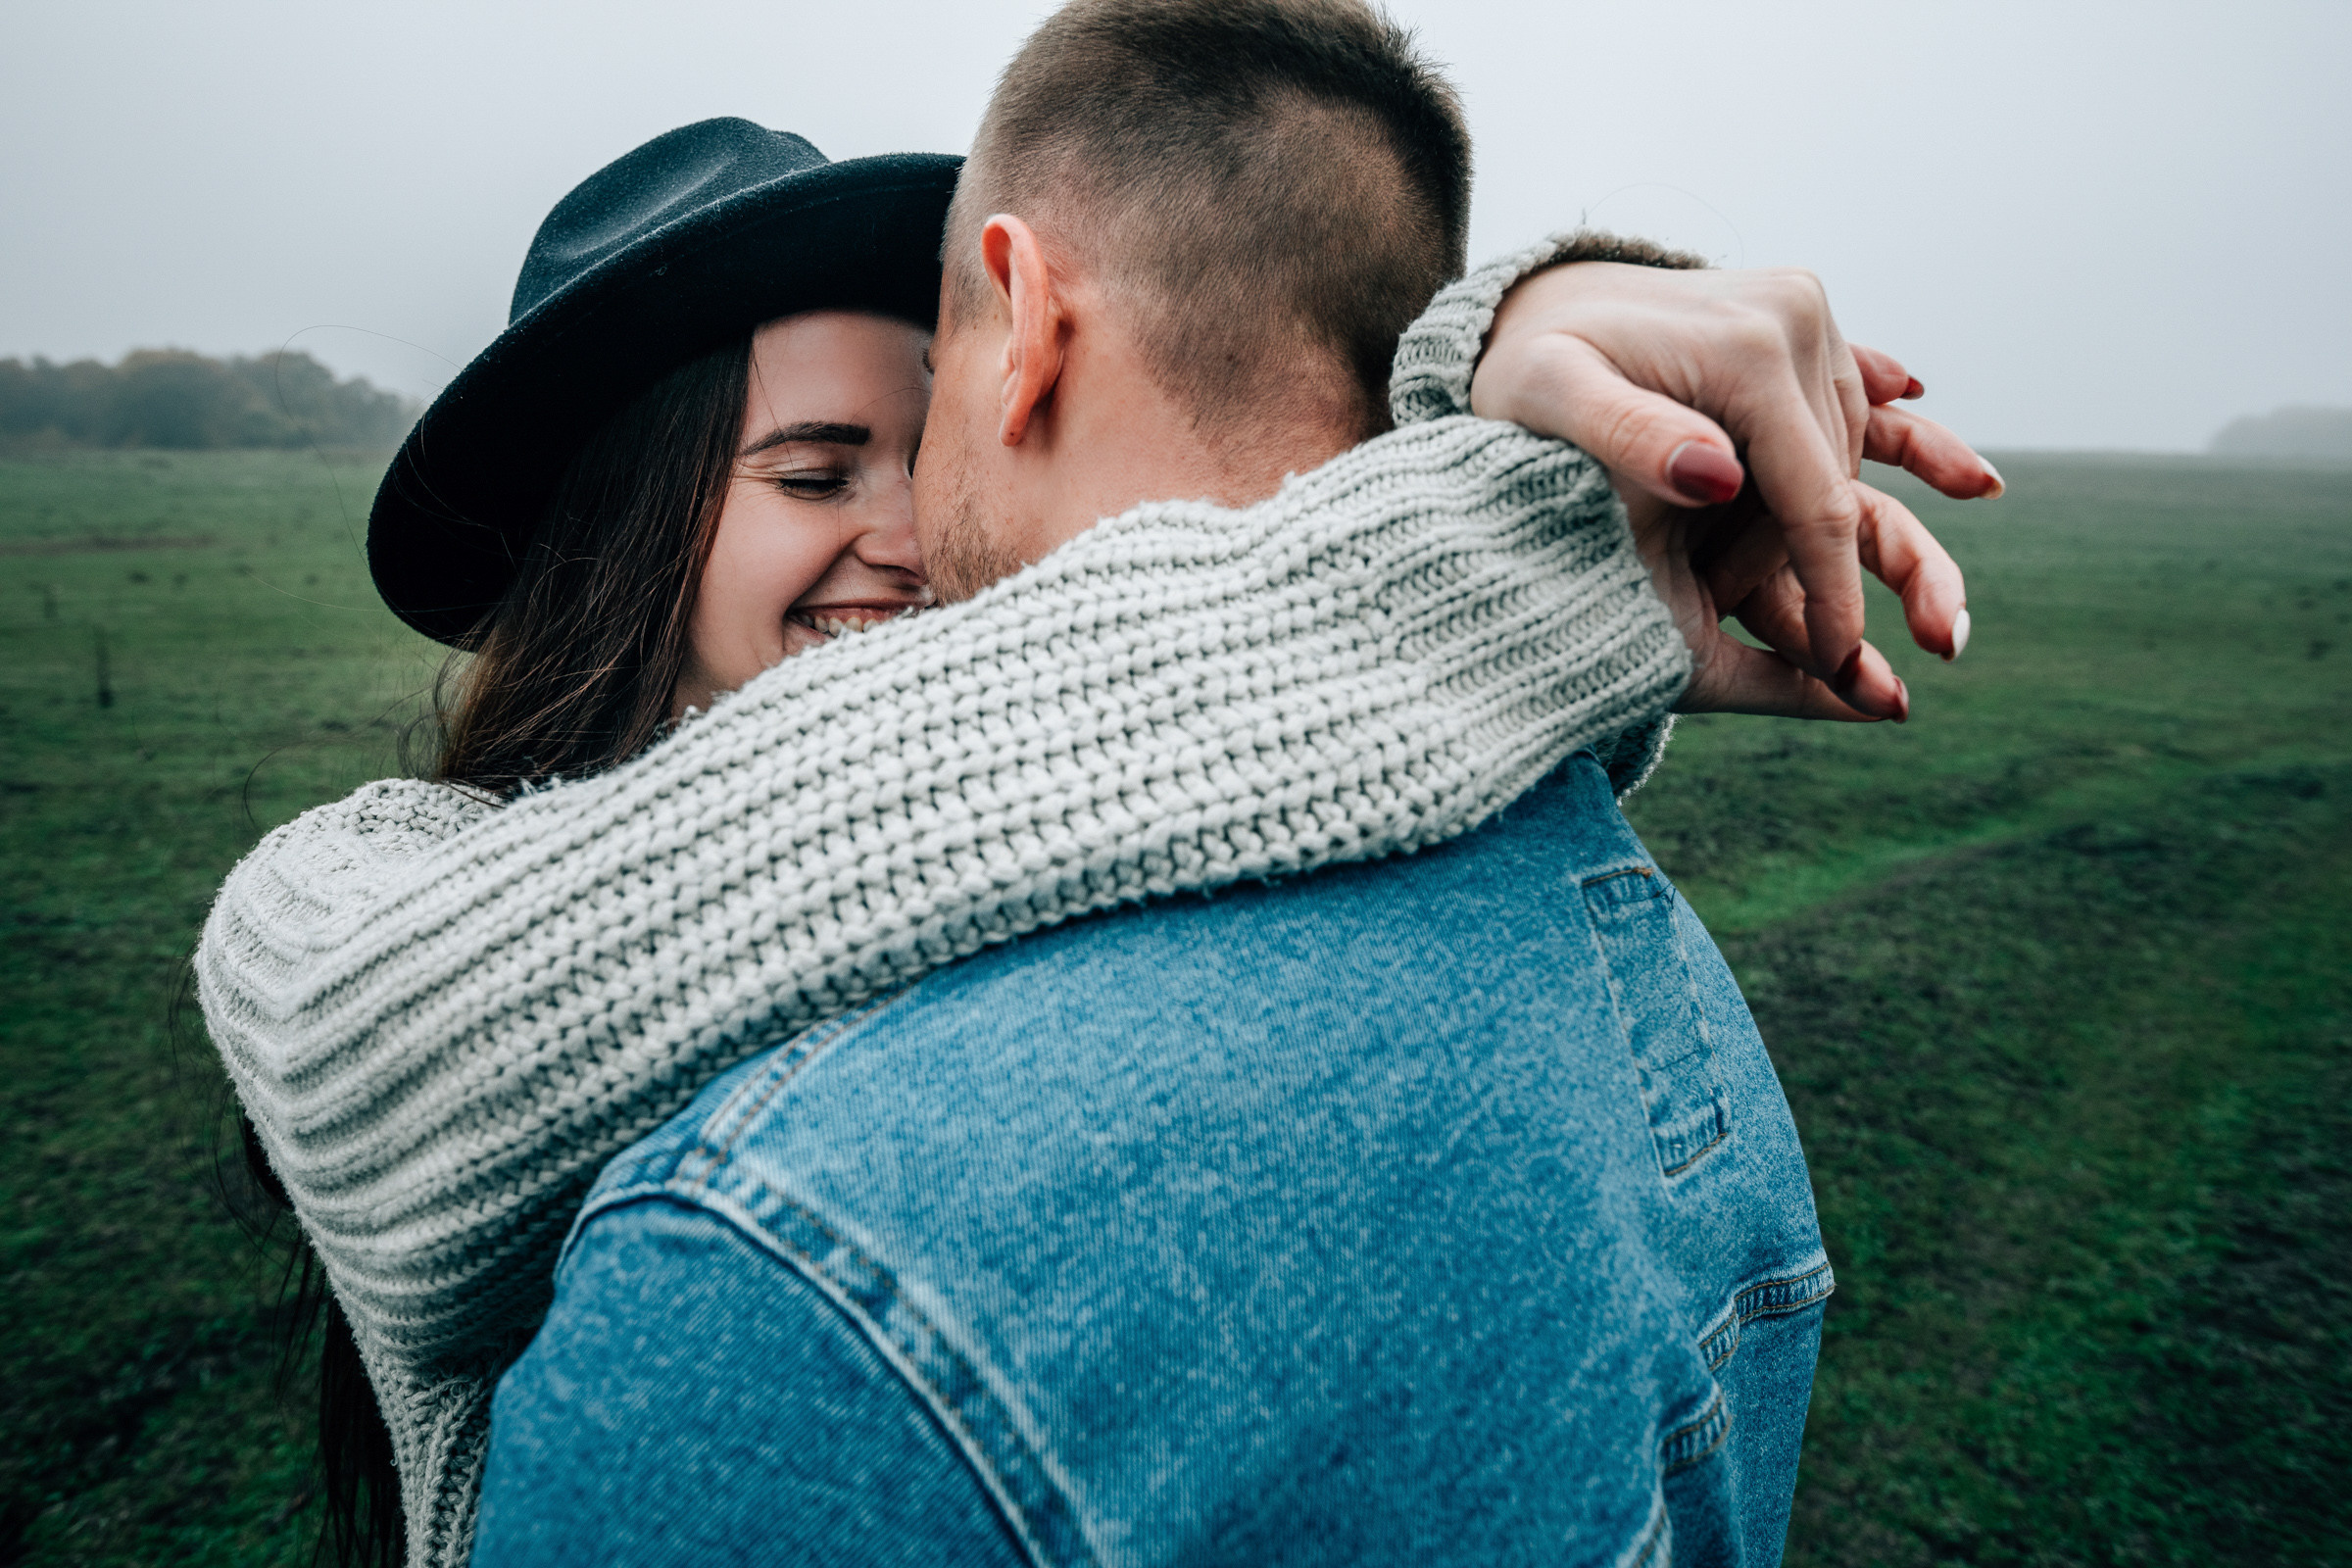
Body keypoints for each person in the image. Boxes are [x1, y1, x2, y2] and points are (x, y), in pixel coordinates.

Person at [197, 8, 1996, 1567]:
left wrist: (1499, 447)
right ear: (618, 549)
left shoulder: (994, 973)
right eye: (817, 472)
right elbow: (361, 1024)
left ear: (1023, 322)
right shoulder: (377, 910)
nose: (906, 533)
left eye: (919, 440)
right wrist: (1510, 516)